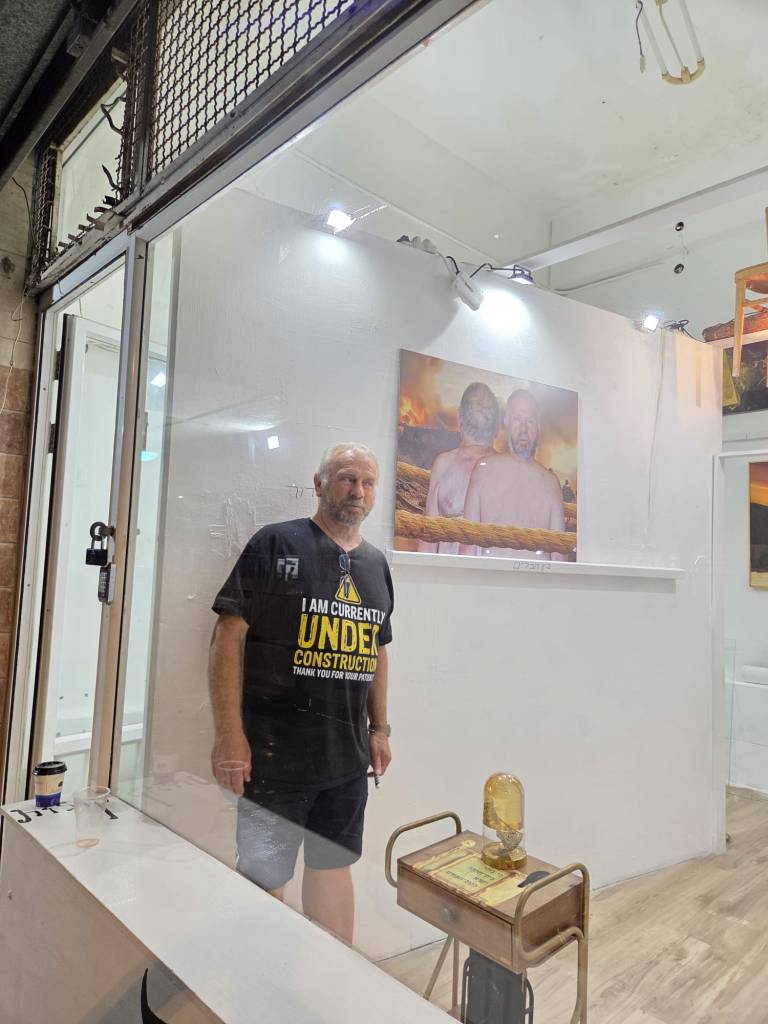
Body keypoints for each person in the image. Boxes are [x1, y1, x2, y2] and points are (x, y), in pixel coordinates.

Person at [208, 443, 394, 944]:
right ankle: (261, 984)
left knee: (333, 867)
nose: (357, 491)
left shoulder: (376, 565)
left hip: (346, 762)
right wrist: (229, 736)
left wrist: (380, 729)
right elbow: (227, 636)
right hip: (274, 761)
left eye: (368, 483)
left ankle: (333, 980)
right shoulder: (276, 544)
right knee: (264, 880)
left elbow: (377, 650)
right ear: (319, 483)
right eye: (346, 478)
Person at [460, 389, 566, 559]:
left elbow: (558, 558)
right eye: (517, 419)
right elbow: (467, 548)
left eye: (530, 421)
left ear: (538, 427)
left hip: (536, 576)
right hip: (490, 574)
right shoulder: (484, 471)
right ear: (506, 422)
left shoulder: (551, 484)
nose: (523, 428)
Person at [418, 382, 500, 555]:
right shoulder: (444, 464)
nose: (481, 407)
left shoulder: (507, 471)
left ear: (459, 417)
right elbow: (428, 541)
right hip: (448, 570)